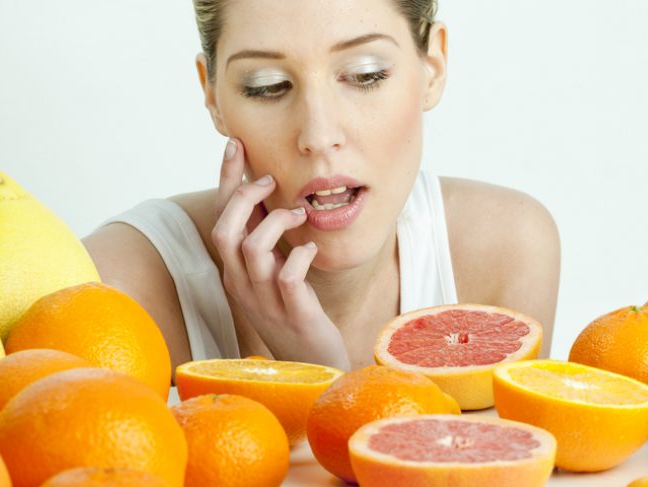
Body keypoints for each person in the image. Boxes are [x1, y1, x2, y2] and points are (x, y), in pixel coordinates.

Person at [83, 0, 560, 377]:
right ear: (213, 97)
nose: (318, 134)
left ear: (432, 66)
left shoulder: (504, 254)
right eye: (267, 86)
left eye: (365, 75)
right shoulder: (117, 292)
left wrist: (324, 380)